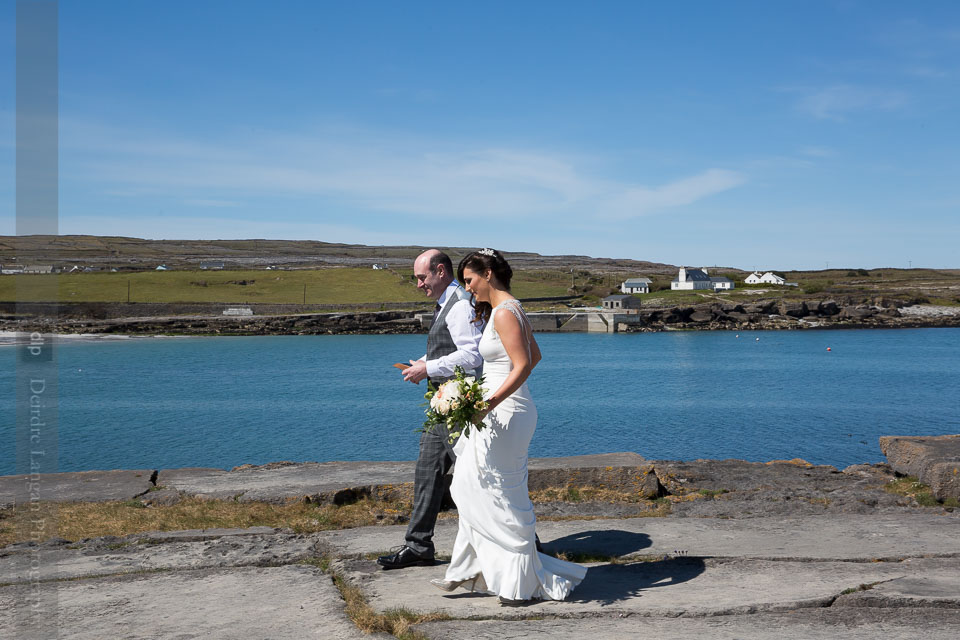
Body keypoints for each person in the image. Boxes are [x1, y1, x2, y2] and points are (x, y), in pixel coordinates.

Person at [429, 248, 586, 605]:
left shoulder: (504, 313)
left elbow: (522, 362)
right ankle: (481, 570)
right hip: (507, 409)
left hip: (503, 412)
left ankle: (508, 576)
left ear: (487, 273)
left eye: (469, 281)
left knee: (484, 486)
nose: (468, 289)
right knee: (484, 485)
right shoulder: (513, 308)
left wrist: (488, 402)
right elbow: (535, 358)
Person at [377, 249, 484, 570]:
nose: (419, 284)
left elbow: (473, 355)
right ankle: (418, 545)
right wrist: (427, 364)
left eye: (422, 277)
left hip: (460, 406)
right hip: (443, 405)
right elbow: (455, 352)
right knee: (427, 470)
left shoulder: (460, 305)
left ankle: (522, 539)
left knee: (481, 475)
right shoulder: (448, 304)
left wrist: (429, 368)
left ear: (440, 271)